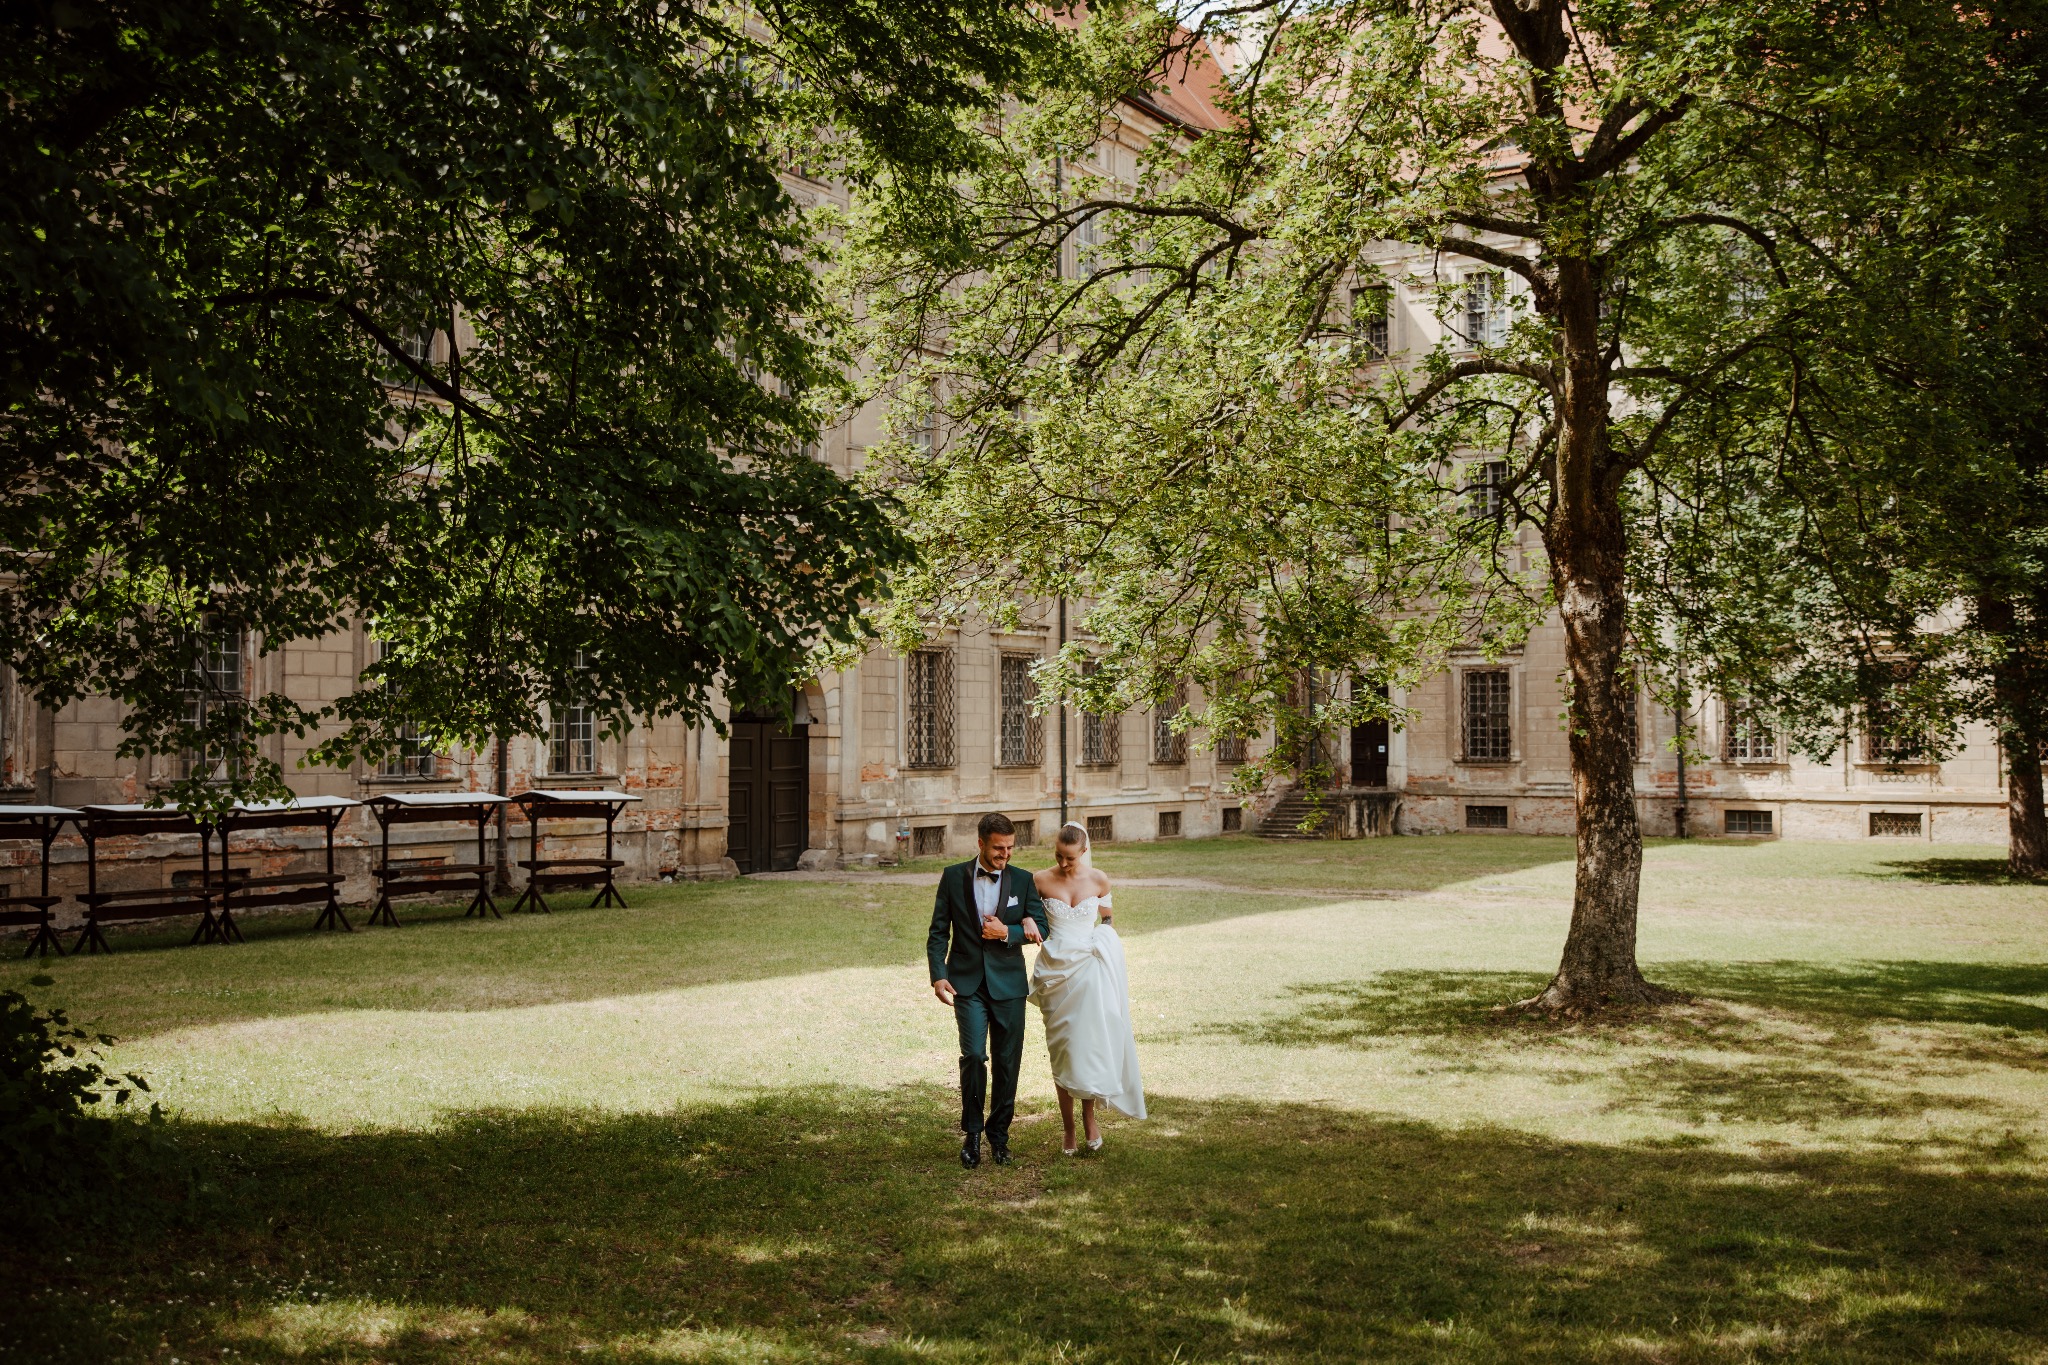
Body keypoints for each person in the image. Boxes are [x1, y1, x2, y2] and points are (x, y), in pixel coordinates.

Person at [927, 811, 1048, 1168]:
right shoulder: (953, 877)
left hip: (1009, 984)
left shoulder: (1023, 880)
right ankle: (973, 1133)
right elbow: (938, 932)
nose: (1005, 854)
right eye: (998, 848)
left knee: (1008, 1061)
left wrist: (1008, 932)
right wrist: (938, 975)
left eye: (1010, 848)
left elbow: (1042, 927)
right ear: (980, 843)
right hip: (966, 983)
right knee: (974, 1056)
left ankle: (999, 1135)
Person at [1030, 820, 1146, 1154]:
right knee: (1063, 1049)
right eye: (1058, 855)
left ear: (1084, 851)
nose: (1063, 863)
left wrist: (1102, 941)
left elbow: (1107, 919)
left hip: (1089, 971)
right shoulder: (1040, 880)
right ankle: (1068, 1128)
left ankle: (1089, 1117)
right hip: (1055, 972)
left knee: (1088, 1046)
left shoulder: (1098, 880)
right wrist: (1026, 919)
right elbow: (1030, 915)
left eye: (1070, 857)